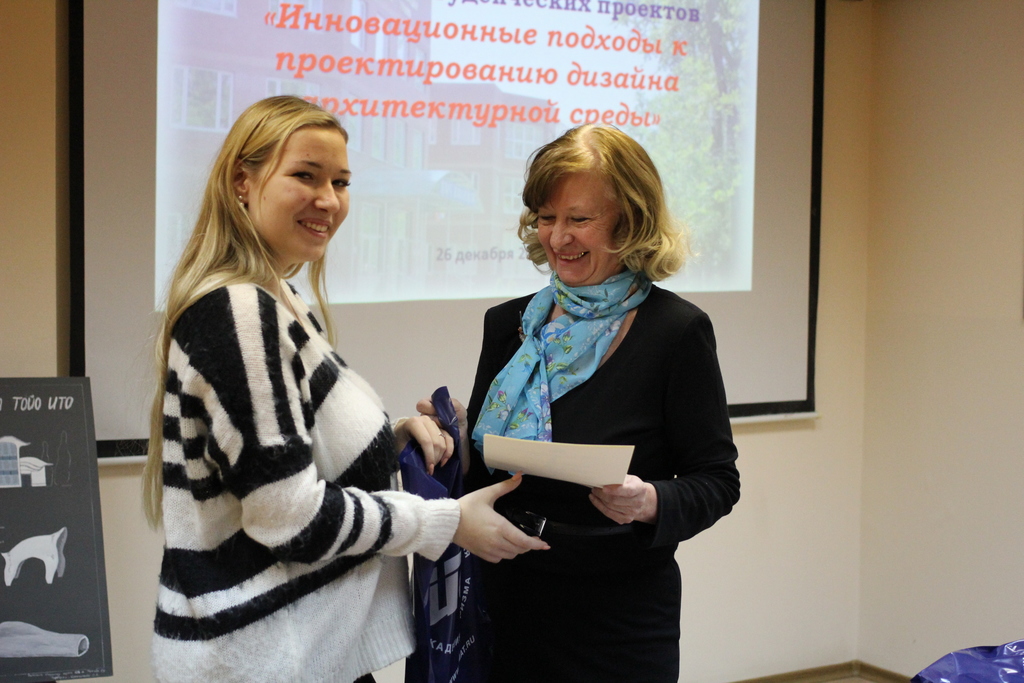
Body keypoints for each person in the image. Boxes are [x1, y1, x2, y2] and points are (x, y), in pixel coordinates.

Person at [141, 95, 547, 683]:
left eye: (341, 181)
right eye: (305, 176)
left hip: (300, 655)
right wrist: (446, 522)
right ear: (241, 183)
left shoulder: (278, 300)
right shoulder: (239, 313)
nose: (329, 200)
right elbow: (289, 518)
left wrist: (392, 438)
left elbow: (283, 456)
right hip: (266, 662)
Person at [464, 124, 741, 682]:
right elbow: (480, 468)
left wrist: (650, 501)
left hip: (617, 619)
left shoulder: (676, 332)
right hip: (505, 600)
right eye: (547, 217)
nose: (558, 238)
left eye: (580, 219)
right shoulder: (508, 324)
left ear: (630, 222)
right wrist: (445, 437)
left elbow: (717, 481)